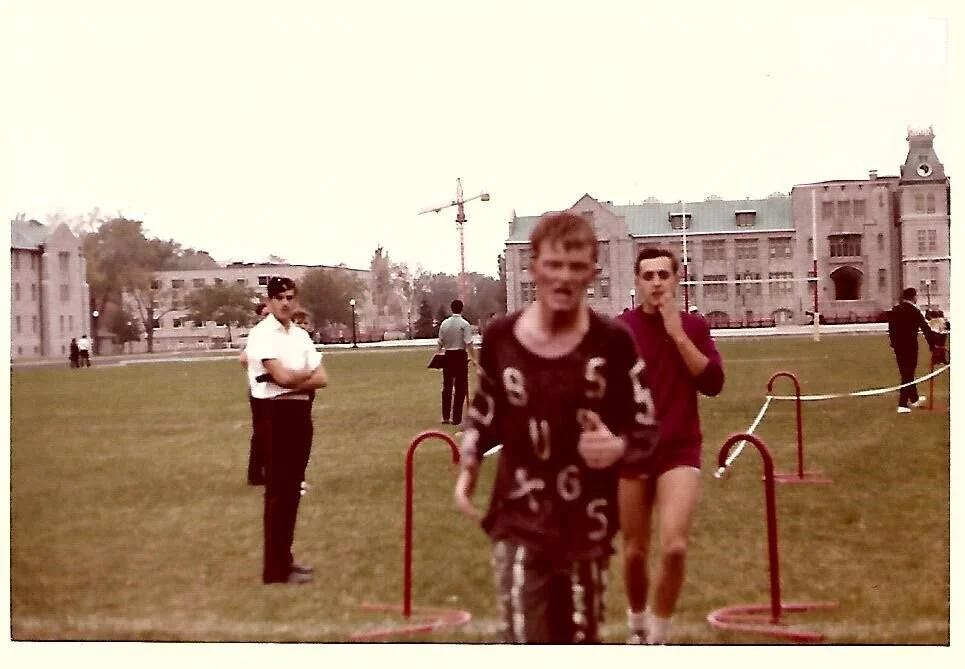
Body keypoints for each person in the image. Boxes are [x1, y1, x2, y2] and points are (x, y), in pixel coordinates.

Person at [453, 211, 661, 644]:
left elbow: (644, 426)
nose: (564, 278)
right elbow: (487, 409)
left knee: (580, 639)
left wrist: (618, 447)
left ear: (592, 273)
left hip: (588, 521)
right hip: (520, 516)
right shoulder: (501, 338)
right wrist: (470, 456)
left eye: (576, 267)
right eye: (553, 266)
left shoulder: (613, 343)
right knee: (526, 637)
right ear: (533, 270)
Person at [617, 246, 725, 644]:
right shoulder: (620, 329)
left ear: (677, 279)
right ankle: (636, 623)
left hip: (679, 449)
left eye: (664, 275)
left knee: (675, 547)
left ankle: (658, 636)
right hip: (633, 451)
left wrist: (676, 333)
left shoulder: (694, 327)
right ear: (638, 281)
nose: (656, 282)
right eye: (648, 276)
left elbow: (713, 384)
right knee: (633, 552)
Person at [246, 277, 328, 584]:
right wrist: (298, 377)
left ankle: (286, 559)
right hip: (275, 415)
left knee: (293, 490)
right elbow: (278, 377)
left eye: (289, 297)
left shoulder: (299, 336)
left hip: (300, 414)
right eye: (279, 297)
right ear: (269, 301)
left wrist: (294, 379)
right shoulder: (261, 334)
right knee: (279, 493)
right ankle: (275, 569)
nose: (285, 302)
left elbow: (322, 378)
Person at [888, 287, 936, 414]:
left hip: (899, 347)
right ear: (913, 297)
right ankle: (902, 404)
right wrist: (933, 344)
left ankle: (914, 399)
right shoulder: (914, 311)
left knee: (907, 373)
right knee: (908, 374)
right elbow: (925, 328)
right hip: (910, 346)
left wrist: (894, 344)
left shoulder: (895, 310)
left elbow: (891, 329)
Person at [241, 302, 270, 485]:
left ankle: (259, 472)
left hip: (264, 389)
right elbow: (244, 359)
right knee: (262, 432)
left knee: (263, 433)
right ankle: (257, 473)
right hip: (262, 390)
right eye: (265, 314)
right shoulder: (261, 333)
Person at [436, 299, 476, 425]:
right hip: (460, 356)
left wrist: (437, 354)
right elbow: (468, 343)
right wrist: (474, 358)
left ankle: (445, 416)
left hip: (448, 356)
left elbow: (440, 342)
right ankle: (456, 418)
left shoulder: (444, 324)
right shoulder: (464, 324)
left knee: (447, 386)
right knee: (460, 387)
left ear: (451, 309)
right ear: (461, 309)